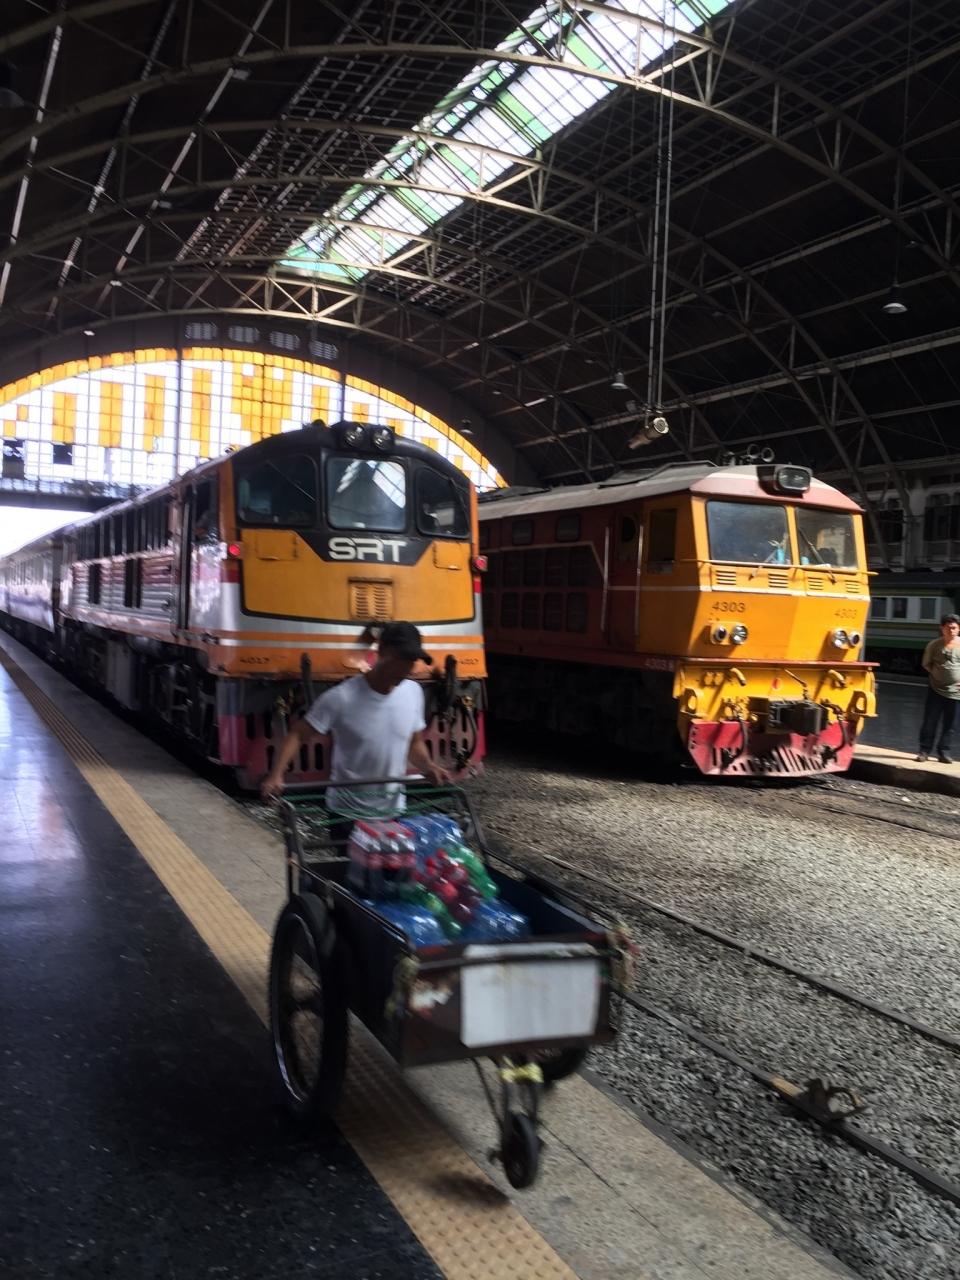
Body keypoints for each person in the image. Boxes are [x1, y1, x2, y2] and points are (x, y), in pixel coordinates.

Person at [260, 621, 450, 838]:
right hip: (347, 816)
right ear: (381, 651)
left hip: (393, 812)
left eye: (411, 661)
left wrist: (428, 766)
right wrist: (276, 774)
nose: (406, 668)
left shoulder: (413, 692)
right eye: (401, 659)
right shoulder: (342, 698)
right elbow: (298, 734)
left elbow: (413, 744)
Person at [916, 612, 960, 764]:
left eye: (954, 628)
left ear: (959, 629)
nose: (951, 631)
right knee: (930, 721)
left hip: (956, 693)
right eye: (948, 627)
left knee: (950, 724)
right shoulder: (934, 645)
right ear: (942, 628)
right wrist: (938, 675)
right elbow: (926, 664)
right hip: (935, 689)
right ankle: (924, 751)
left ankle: (944, 752)